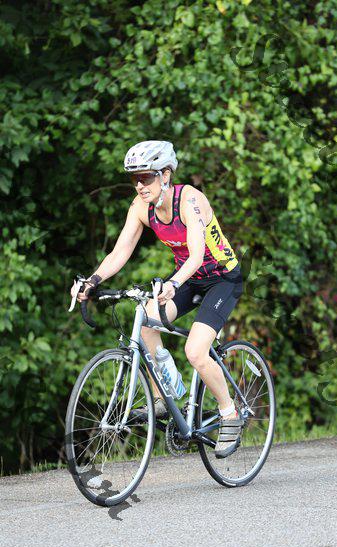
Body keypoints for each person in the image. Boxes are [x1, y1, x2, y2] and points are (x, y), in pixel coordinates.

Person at [71, 140, 243, 458]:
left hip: (221, 279)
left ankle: (229, 413)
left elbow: (196, 255)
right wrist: (93, 280)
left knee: (195, 351)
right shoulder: (141, 208)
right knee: (146, 323)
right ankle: (164, 395)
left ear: (165, 175)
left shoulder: (190, 200)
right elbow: (120, 251)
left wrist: (174, 283)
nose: (139, 185)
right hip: (188, 279)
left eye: (146, 177)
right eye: (134, 179)